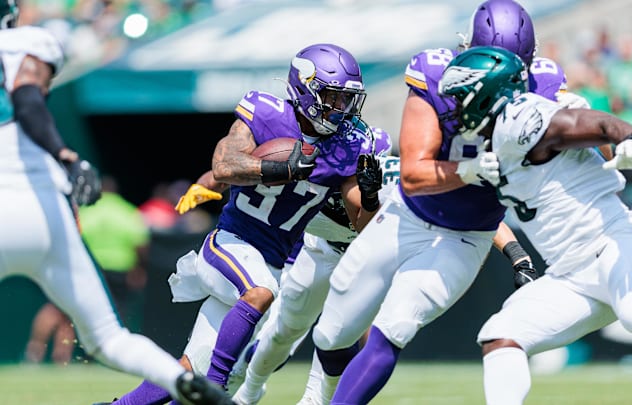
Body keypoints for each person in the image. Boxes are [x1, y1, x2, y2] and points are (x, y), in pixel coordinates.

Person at [438, 45, 632, 405]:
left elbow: (596, 124)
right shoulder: (483, 141)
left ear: (485, 95)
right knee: (500, 334)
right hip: (570, 274)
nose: (455, 108)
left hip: (613, 245)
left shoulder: (520, 121)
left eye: (461, 97)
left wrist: (628, 138)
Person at [105, 43, 381, 405]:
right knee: (261, 291)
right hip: (229, 243)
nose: (340, 109)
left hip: (272, 260)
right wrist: (275, 169)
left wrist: (371, 194)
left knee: (188, 371)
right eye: (332, 97)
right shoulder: (266, 113)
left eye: (346, 100)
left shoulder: (346, 145)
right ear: (306, 87)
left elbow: (362, 224)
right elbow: (225, 164)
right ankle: (217, 391)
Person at [308, 2, 542, 404]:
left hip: (465, 238)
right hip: (406, 217)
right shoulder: (434, 75)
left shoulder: (544, 87)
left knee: (394, 326)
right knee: (330, 334)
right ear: (468, 51)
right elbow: (415, 176)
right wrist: (467, 171)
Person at [0, 2, 232, 404]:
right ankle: (182, 383)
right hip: (45, 206)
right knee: (109, 337)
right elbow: (28, 101)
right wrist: (65, 154)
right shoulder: (25, 45)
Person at [232, 130, 395, 405]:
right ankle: (249, 390)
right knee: (285, 330)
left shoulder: (386, 178)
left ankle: (314, 400)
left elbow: (370, 226)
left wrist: (370, 196)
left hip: (364, 256)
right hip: (322, 250)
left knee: (336, 334)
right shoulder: (316, 169)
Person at [79, 175, 151, 333]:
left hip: (93, 268)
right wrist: (139, 269)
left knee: (90, 308)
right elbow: (140, 245)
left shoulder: (86, 211)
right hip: (120, 269)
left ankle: (90, 347)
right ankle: (117, 341)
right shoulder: (127, 210)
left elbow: (77, 238)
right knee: (119, 309)